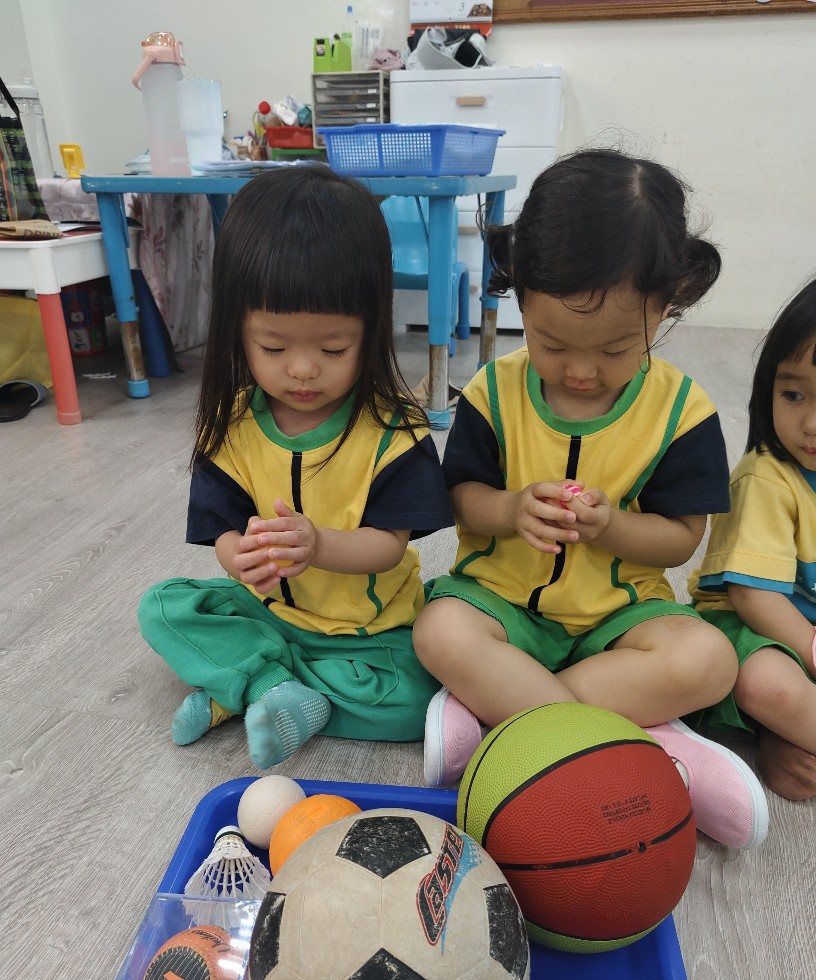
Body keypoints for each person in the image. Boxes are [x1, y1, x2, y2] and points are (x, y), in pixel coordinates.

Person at [412, 147, 769, 850]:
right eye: (551, 345)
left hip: (620, 619)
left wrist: (612, 528)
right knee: (438, 630)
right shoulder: (492, 392)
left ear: (667, 306)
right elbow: (462, 499)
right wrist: (511, 509)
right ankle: (640, 747)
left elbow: (680, 538)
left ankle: (505, 720)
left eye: (614, 350)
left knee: (711, 660)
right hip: (503, 604)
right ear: (520, 299)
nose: (580, 370)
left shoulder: (681, 413)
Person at [138, 165, 453, 769]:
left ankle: (246, 684)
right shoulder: (231, 425)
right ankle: (271, 687)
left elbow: (389, 545)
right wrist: (240, 558)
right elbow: (223, 529)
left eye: (333, 348)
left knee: (414, 700)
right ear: (237, 332)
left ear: (372, 329)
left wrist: (319, 545)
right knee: (165, 606)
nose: (303, 369)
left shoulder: (393, 432)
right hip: (268, 613)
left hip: (365, 632)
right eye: (274, 347)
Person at [689, 277, 816, 802]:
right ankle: (779, 726)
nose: (810, 423)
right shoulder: (766, 477)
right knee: (769, 684)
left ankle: (788, 737)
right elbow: (753, 596)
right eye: (793, 395)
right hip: (753, 628)